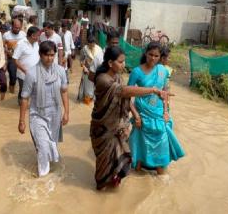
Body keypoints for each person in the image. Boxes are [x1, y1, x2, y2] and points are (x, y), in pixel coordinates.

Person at [90, 46, 167, 190]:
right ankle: (99, 193)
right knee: (102, 170)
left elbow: (125, 100)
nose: (124, 65)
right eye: (120, 62)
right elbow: (124, 92)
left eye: (124, 61)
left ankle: (111, 196)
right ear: (110, 63)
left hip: (116, 127)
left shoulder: (118, 77)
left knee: (121, 162)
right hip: (103, 129)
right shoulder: (103, 79)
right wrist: (152, 90)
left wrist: (125, 123)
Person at [128, 42, 184, 175]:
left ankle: (159, 174)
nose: (153, 58)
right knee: (140, 148)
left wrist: (165, 112)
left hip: (158, 115)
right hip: (142, 117)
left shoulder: (162, 71)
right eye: (150, 54)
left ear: (160, 57)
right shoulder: (136, 72)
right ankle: (137, 174)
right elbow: (127, 96)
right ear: (145, 53)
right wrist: (136, 115)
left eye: (156, 56)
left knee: (161, 147)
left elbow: (164, 93)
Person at [18, 41, 69, 177]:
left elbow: (64, 91)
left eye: (52, 55)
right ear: (40, 55)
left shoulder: (60, 71)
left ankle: (43, 159)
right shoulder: (32, 73)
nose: (50, 58)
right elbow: (25, 98)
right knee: (44, 147)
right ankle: (44, 178)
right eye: (47, 55)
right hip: (37, 114)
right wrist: (22, 121)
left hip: (55, 114)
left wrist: (66, 113)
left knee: (50, 144)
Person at [13, 26, 40, 105]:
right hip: (23, 74)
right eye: (38, 35)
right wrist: (25, 71)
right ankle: (21, 107)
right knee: (24, 92)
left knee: (36, 91)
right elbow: (15, 59)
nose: (39, 37)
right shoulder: (21, 43)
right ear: (32, 35)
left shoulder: (36, 43)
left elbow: (37, 56)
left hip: (35, 73)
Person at [3, 19, 26, 94]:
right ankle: (11, 92)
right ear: (12, 26)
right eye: (16, 27)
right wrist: (5, 61)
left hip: (21, 59)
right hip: (11, 59)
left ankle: (19, 94)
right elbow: (2, 48)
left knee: (22, 77)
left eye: (19, 27)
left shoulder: (23, 34)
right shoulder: (6, 35)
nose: (18, 29)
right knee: (13, 77)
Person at [78, 36, 102, 105]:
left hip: (97, 71)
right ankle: (86, 101)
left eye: (93, 43)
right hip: (87, 71)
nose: (92, 45)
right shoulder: (84, 50)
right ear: (88, 43)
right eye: (90, 44)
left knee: (95, 87)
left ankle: (94, 100)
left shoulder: (99, 49)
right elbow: (81, 60)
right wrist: (84, 67)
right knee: (87, 87)